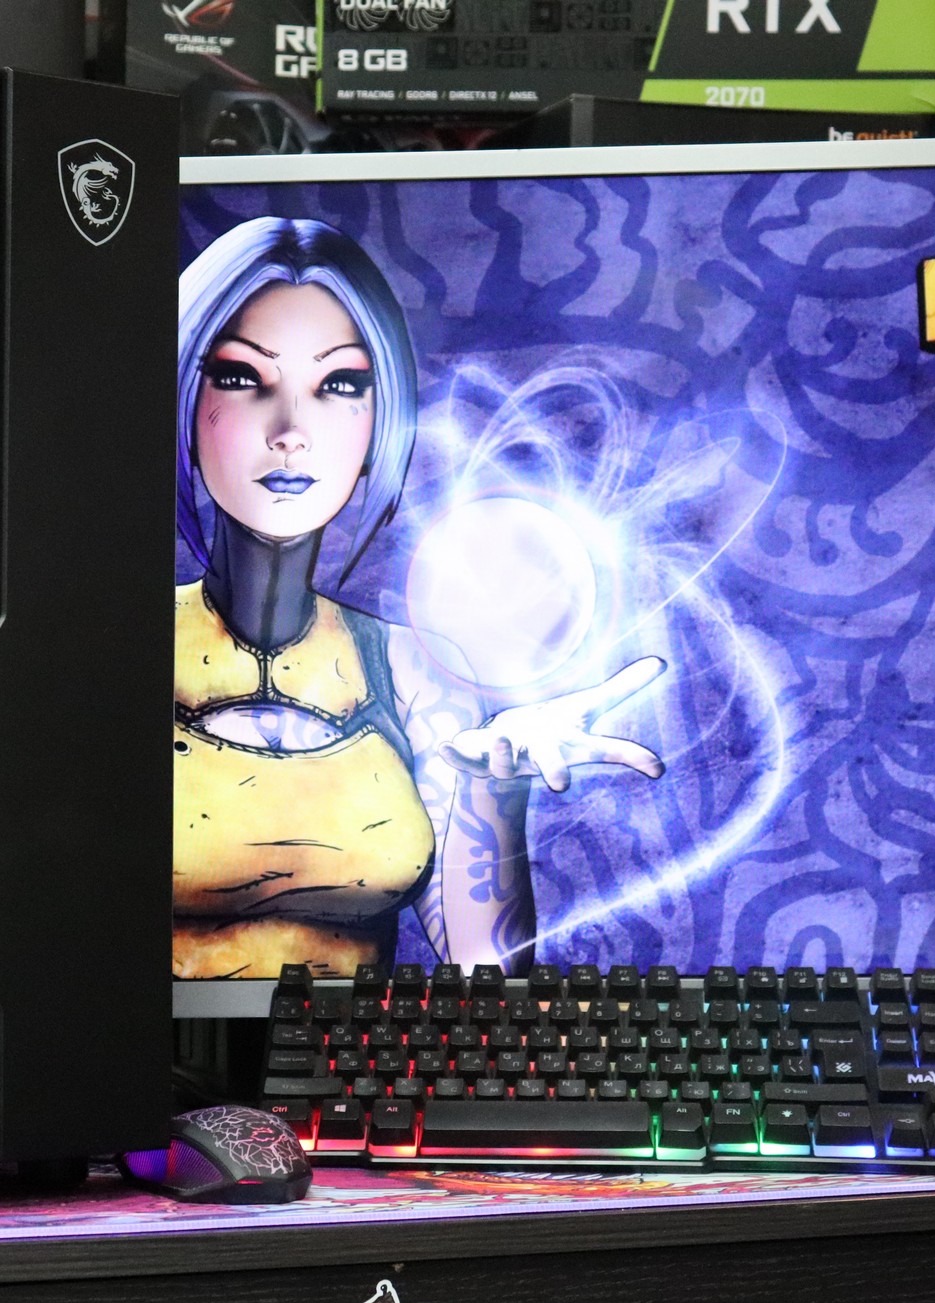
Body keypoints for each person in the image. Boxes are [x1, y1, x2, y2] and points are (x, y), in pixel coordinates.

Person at [173, 217, 664, 979]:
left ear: (381, 420)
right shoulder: (115, 644)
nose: (291, 431)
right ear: (184, 397)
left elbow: (484, 972)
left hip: (346, 1052)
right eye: (242, 378)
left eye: (339, 385)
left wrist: (494, 789)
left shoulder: (413, 673)